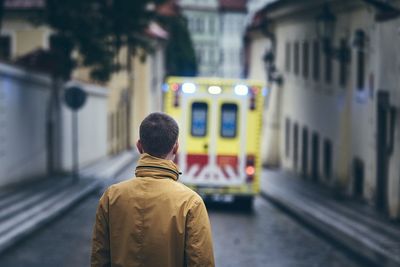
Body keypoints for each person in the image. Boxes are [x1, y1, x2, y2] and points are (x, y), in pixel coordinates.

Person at [91, 112, 215, 267]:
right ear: (175, 148)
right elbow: (201, 262)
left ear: (139, 146)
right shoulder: (191, 202)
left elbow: (99, 258)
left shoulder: (111, 196)